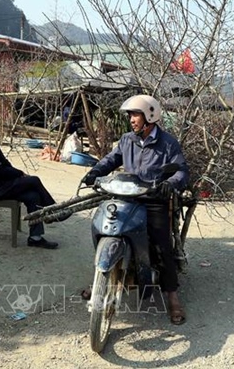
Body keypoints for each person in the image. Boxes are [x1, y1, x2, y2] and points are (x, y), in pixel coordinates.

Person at [81, 94, 189, 325]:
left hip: (152, 198)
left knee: (162, 245)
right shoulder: (127, 140)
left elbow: (181, 171)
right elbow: (111, 159)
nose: (131, 119)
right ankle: (101, 278)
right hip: (126, 196)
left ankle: (172, 295)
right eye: (130, 115)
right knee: (106, 228)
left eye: (135, 115)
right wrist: (94, 172)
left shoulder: (168, 143)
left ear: (150, 115)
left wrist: (169, 184)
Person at [0, 110, 69, 249]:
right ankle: (54, 211)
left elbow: (4, 164)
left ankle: (35, 237)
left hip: (1, 184)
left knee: (32, 196)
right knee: (34, 180)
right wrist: (19, 174)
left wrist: (17, 174)